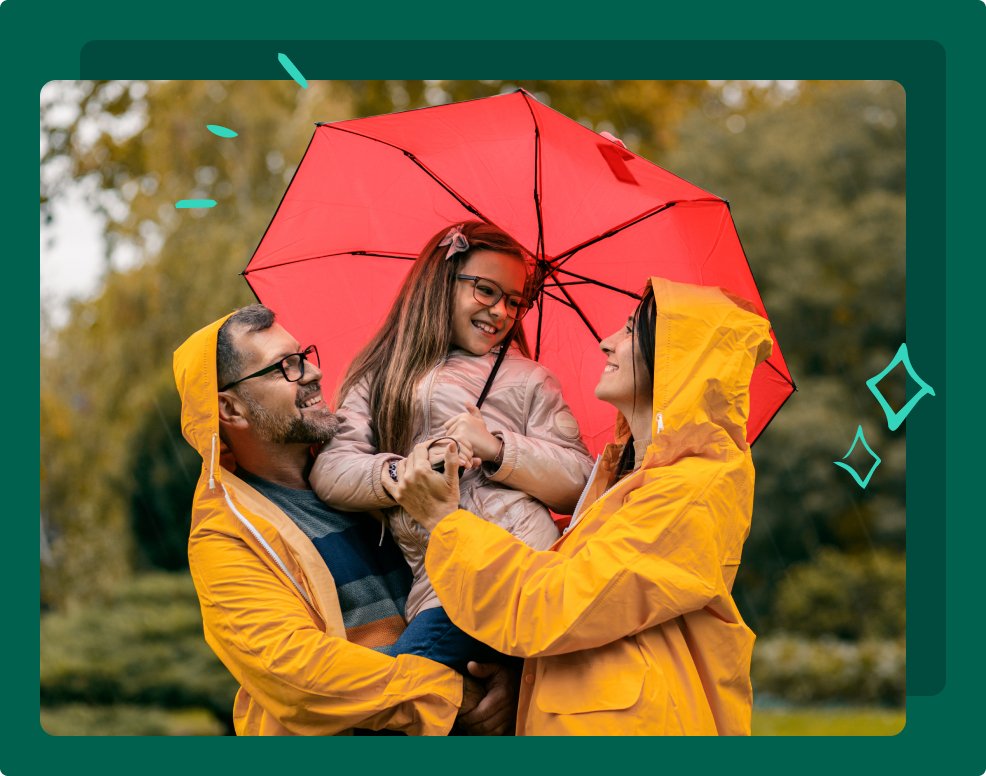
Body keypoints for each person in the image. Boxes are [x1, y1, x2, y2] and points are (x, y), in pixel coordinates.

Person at [383, 276, 774, 735]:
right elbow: (594, 622)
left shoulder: (691, 491)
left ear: (677, 356)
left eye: (630, 330)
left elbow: (554, 604)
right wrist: (519, 680)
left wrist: (445, 522)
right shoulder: (622, 475)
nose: (607, 343)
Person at [173, 304, 516, 736]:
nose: (314, 372)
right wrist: (451, 695)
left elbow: (467, 580)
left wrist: (507, 674)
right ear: (231, 409)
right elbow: (300, 676)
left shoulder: (367, 467)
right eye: (285, 367)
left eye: (304, 355)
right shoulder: (224, 536)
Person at [311, 221, 594, 673]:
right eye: (486, 290)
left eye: (515, 301)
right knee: (422, 697)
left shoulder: (530, 380)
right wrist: (405, 472)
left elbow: (581, 483)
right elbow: (331, 471)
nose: (501, 311)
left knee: (398, 693)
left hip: (520, 566)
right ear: (442, 282)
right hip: (440, 584)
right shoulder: (380, 376)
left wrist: (498, 448)